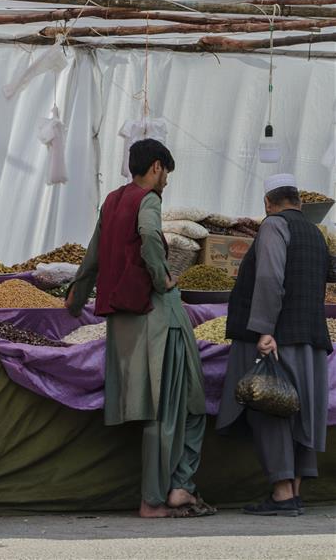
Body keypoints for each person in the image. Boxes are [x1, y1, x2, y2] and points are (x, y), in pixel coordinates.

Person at [66, 139, 213, 518]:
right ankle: (160, 496)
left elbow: (93, 254)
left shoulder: (112, 201)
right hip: (158, 315)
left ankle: (177, 489)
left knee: (159, 408)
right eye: (166, 175)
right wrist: (162, 274)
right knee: (180, 406)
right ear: (158, 167)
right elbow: (149, 235)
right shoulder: (148, 200)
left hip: (125, 320)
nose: (166, 183)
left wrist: (77, 296)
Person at [217, 174, 332, 517]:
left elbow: (269, 276)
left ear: (268, 203)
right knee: (298, 412)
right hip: (311, 337)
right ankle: (294, 490)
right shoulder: (316, 234)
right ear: (299, 200)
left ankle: (282, 494)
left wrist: (265, 330)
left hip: (278, 338)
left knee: (271, 409)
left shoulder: (272, 226)